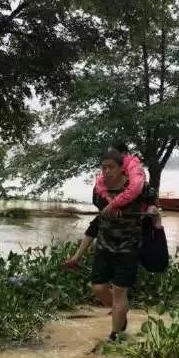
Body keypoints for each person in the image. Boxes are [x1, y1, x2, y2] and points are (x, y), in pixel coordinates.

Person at [67, 149, 157, 341]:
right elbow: (97, 222)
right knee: (98, 288)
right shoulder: (99, 193)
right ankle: (121, 311)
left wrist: (152, 210)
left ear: (122, 169)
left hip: (128, 248)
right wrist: (77, 256)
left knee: (119, 291)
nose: (107, 171)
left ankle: (115, 335)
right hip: (104, 246)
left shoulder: (141, 189)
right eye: (104, 167)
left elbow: (151, 205)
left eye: (111, 167)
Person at [94, 141, 145, 217]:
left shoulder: (134, 166)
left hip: (136, 207)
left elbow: (135, 188)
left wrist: (113, 204)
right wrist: (110, 201)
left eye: (113, 153)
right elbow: (99, 184)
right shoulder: (109, 167)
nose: (110, 155)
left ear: (123, 153)